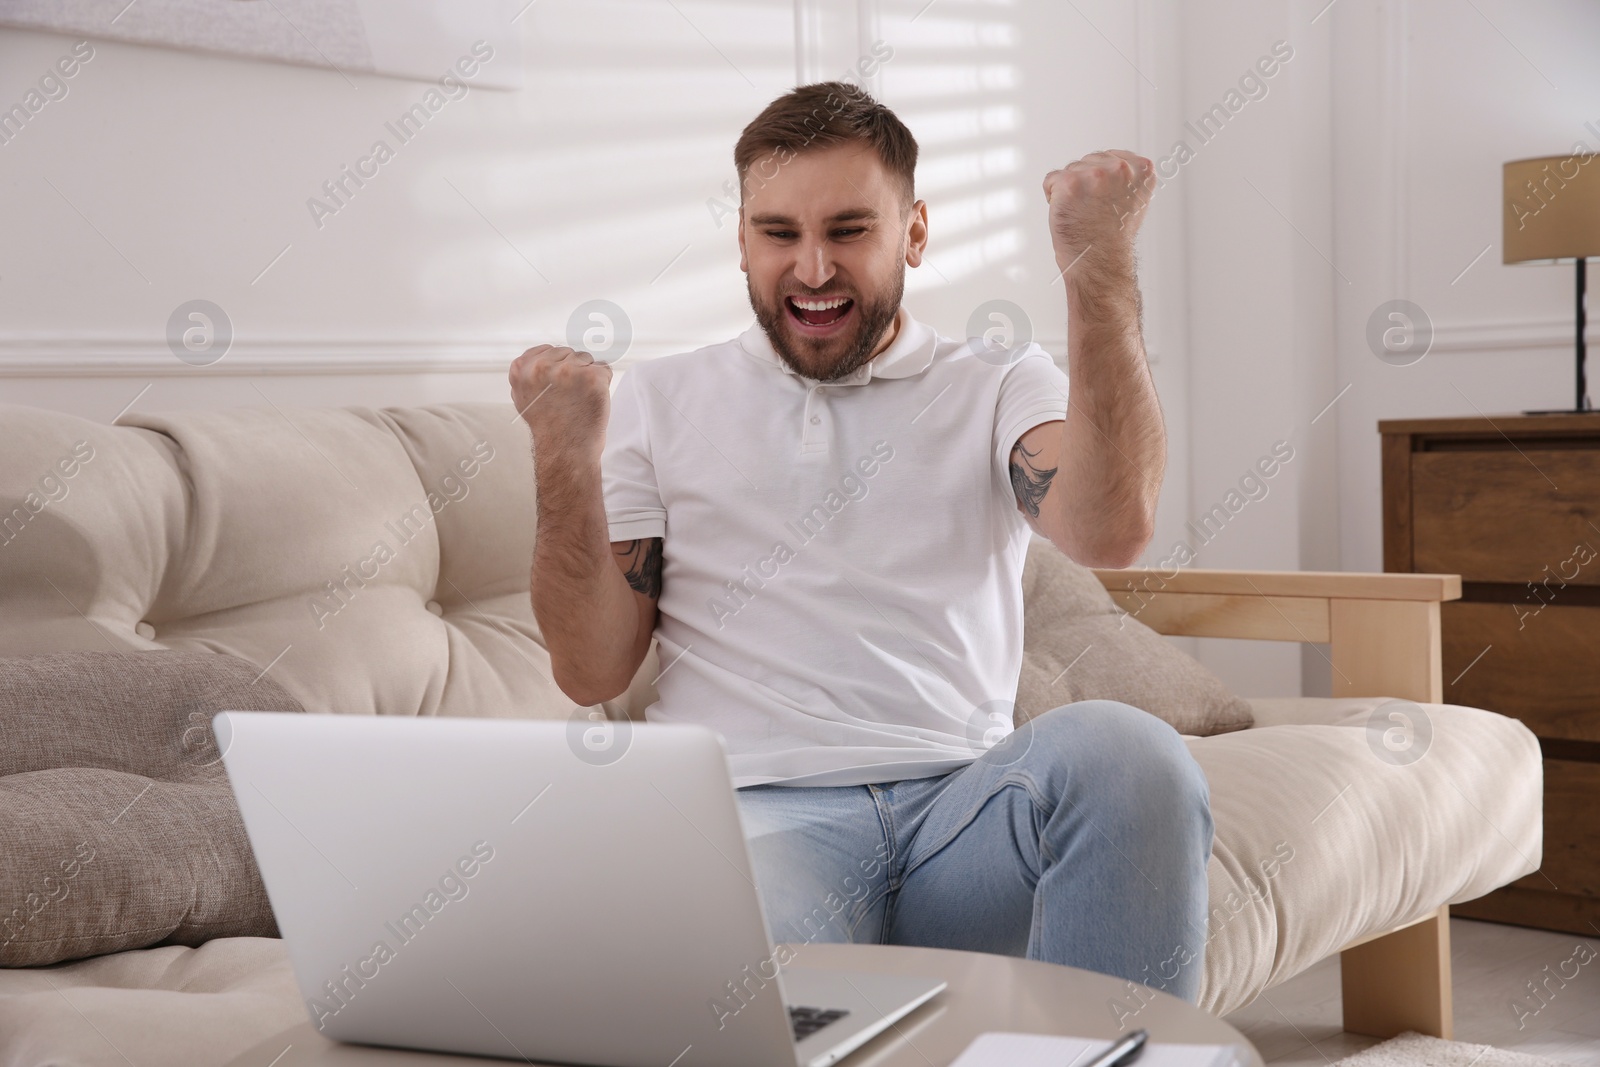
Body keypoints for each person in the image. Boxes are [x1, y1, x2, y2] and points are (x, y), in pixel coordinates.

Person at [508, 81, 1213, 1005]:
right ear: (743, 240)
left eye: (848, 231)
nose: (811, 269)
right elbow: (593, 670)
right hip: (756, 828)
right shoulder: (656, 401)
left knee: (1134, 756)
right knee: (746, 976)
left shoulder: (996, 382)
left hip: (962, 819)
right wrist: (564, 459)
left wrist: (1099, 274)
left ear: (914, 233)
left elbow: (1111, 529)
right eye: (779, 233)